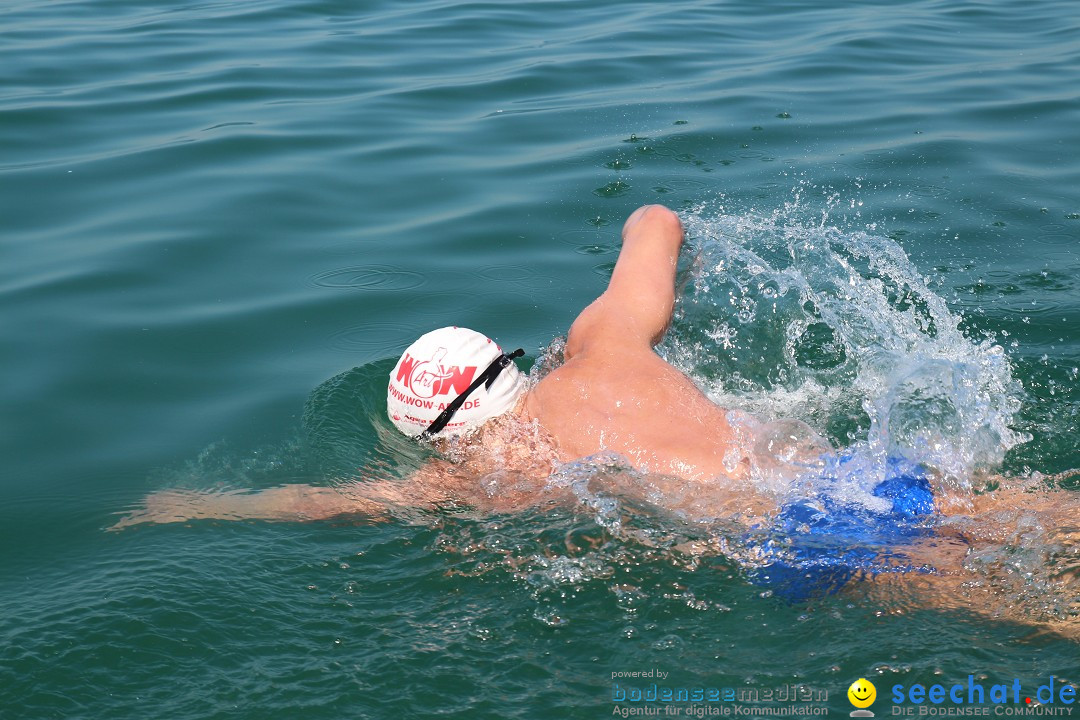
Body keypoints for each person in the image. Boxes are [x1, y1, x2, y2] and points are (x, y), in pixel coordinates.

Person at [114, 206, 1079, 634]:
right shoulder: (607, 341)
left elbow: (336, 504)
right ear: (509, 360)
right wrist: (673, 260)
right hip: (864, 468)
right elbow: (656, 222)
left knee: (1032, 611)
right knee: (1034, 516)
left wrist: (194, 506)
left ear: (446, 432)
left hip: (812, 537)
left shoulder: (498, 472)